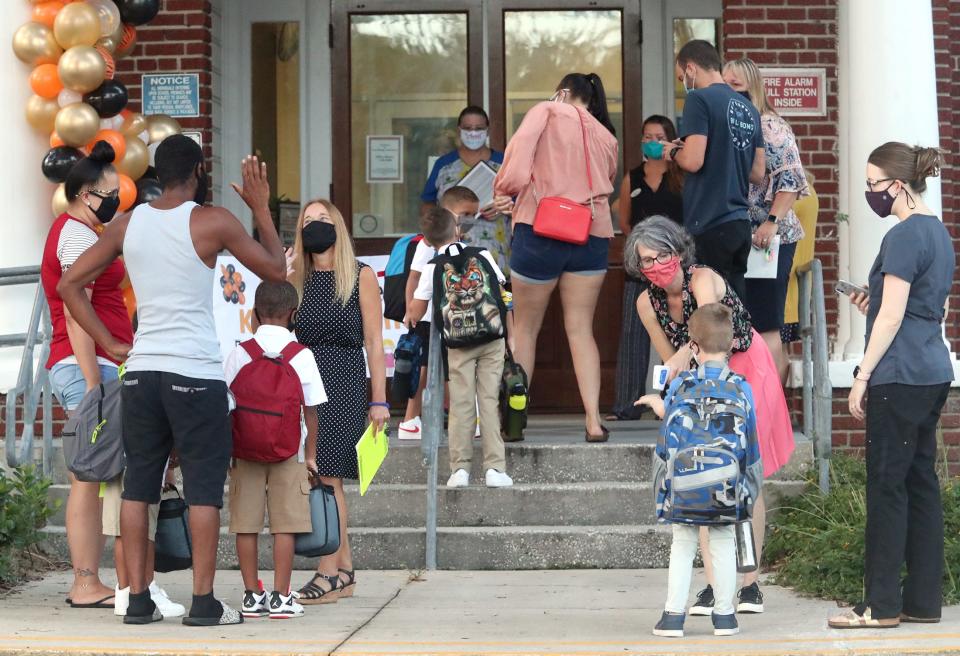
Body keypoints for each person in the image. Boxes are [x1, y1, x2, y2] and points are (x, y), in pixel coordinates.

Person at [58, 135, 287, 626]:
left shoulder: (127, 223)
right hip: (195, 374)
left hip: (142, 373)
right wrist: (262, 209)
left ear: (156, 173)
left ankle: (137, 599)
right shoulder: (212, 220)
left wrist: (111, 344)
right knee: (203, 490)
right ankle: (203, 603)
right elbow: (274, 271)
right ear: (200, 170)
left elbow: (68, 284)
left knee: (139, 487)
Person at [625, 216, 793, 614]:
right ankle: (717, 584)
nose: (654, 267)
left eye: (660, 256)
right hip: (699, 381)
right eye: (644, 261)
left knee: (745, 478)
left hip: (744, 369)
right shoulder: (646, 301)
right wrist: (677, 396)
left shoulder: (703, 280)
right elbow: (669, 358)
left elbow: (703, 334)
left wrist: (686, 365)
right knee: (703, 476)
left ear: (679, 252)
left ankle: (749, 584)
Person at [829, 143, 954, 629]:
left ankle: (878, 606)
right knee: (921, 484)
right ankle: (921, 601)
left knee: (886, 487)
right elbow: (911, 305)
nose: (870, 193)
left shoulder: (902, 236)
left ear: (898, 186)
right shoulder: (938, 233)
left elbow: (895, 314)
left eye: (874, 184)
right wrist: (873, 302)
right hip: (932, 370)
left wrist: (861, 374)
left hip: (897, 374)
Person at [492, 72, 619, 442]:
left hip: (540, 228)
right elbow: (606, 179)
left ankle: (514, 421)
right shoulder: (605, 134)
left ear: (562, 92)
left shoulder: (546, 111)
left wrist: (504, 190)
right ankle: (594, 421)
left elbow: (517, 161)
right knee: (581, 329)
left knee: (525, 329)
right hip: (590, 233)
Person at [41, 141, 131, 610]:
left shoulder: (83, 231)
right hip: (87, 365)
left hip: (95, 363)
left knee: (96, 474)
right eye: (108, 193)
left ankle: (93, 579)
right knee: (88, 475)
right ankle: (84, 581)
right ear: (82, 194)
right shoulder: (76, 235)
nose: (115, 200)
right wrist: (94, 381)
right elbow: (77, 314)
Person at [641, 304, 762, 639]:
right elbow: (751, 447)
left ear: (692, 346)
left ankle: (673, 618)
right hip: (725, 487)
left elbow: (667, 440)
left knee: (683, 544)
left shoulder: (681, 386)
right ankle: (725, 617)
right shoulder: (742, 388)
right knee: (723, 541)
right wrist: (748, 493)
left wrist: (658, 406)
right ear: (732, 343)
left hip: (685, 485)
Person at [290, 199, 388, 604]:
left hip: (344, 378)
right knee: (316, 475)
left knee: (329, 476)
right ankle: (344, 570)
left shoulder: (359, 275)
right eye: (308, 220)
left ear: (339, 227)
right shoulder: (297, 275)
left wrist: (380, 400)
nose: (315, 226)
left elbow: (375, 343)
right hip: (303, 382)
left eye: (323, 220)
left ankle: (328, 571)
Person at [224, 281, 326, 620]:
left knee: (246, 524)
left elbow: (225, 403)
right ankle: (282, 597)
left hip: (244, 452)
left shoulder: (241, 351)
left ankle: (252, 595)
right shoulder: (302, 355)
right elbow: (312, 411)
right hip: (289, 452)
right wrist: (310, 456)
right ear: (293, 314)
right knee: (286, 525)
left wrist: (229, 452)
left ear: (255, 313)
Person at [403, 207, 513, 488]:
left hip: (458, 343)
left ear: (427, 241)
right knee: (487, 400)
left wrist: (410, 315)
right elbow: (503, 289)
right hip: (491, 338)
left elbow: (416, 310)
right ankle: (495, 469)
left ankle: (460, 469)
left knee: (462, 403)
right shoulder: (483, 254)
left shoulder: (432, 267)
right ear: (457, 230)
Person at [723, 57, 809, 380]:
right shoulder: (729, 127)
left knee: (765, 323)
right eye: (725, 84)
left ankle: (774, 407)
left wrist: (771, 221)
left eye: (736, 85)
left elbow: (791, 179)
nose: (730, 92)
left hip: (769, 238)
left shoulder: (769, 126)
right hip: (739, 236)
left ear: (752, 88)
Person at [660, 40, 765, 302]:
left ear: (692, 68)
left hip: (708, 219)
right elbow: (757, 172)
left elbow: (693, 161)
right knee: (735, 308)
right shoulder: (748, 108)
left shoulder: (698, 98)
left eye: (682, 77)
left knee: (708, 309)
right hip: (739, 222)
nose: (683, 82)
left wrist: (672, 151)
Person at [610, 115, 684, 421]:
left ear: (671, 140)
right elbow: (625, 221)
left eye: (659, 137)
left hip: (675, 267)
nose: (652, 142)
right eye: (647, 137)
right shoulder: (633, 177)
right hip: (640, 268)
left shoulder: (683, 176)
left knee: (678, 334)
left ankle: (675, 399)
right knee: (633, 334)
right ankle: (628, 405)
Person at [398, 186, 482, 441]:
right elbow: (414, 277)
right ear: (448, 214)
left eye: (473, 215)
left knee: (452, 367)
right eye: (465, 214)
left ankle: (461, 419)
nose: (470, 220)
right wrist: (410, 309)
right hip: (426, 319)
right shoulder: (428, 244)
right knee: (425, 369)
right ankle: (411, 419)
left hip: (453, 316)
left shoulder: (462, 245)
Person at [421, 106, 510, 274]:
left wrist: (504, 207)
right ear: (459, 130)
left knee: (498, 299)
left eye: (479, 128)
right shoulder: (444, 165)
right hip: (451, 259)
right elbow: (427, 204)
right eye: (468, 128)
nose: (473, 132)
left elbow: (523, 202)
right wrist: (435, 228)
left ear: (487, 130)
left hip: (497, 257)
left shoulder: (504, 164)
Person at [780, 174, 819, 383]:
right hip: (793, 289)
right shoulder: (808, 189)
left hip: (784, 286)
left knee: (774, 346)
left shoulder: (795, 194)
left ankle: (772, 405)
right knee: (780, 347)